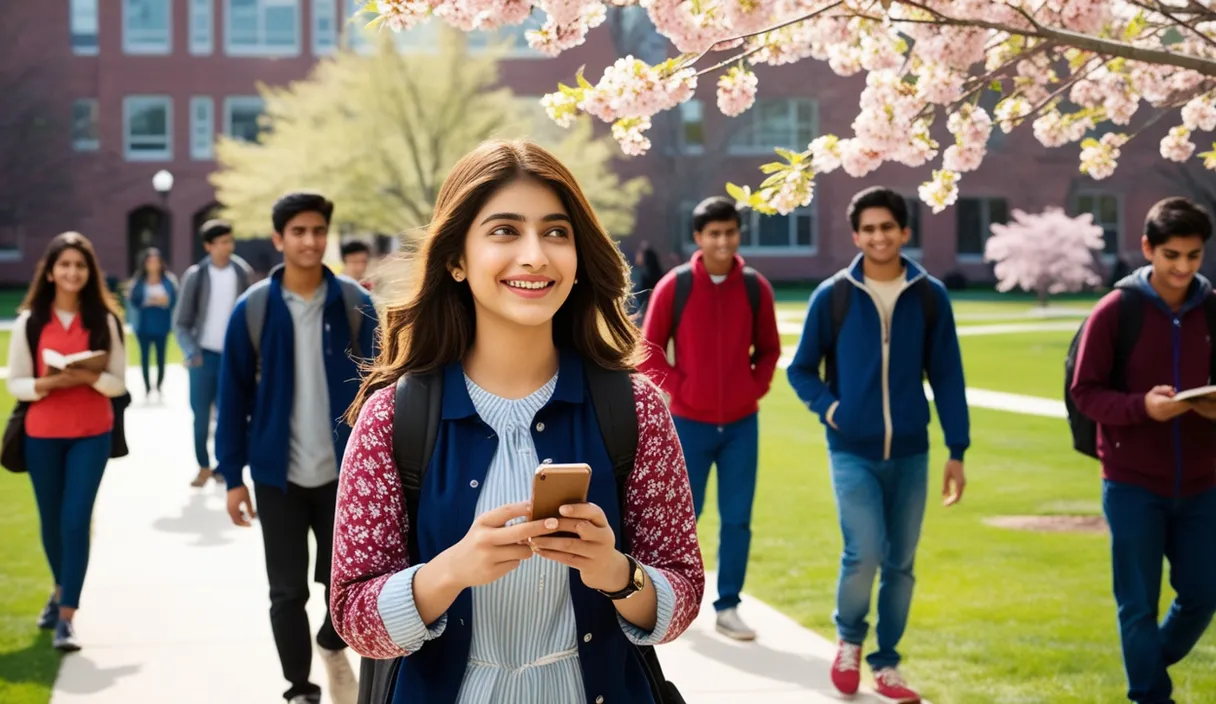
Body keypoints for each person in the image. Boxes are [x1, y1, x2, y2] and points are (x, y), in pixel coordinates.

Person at [330, 140, 704, 704]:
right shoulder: (392, 417)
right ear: (456, 259)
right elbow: (352, 617)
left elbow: (682, 595)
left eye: (556, 232)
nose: (536, 255)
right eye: (505, 231)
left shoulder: (637, 409)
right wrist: (450, 571)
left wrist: (616, 571)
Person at [786, 186, 969, 703]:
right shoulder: (835, 295)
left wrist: (957, 450)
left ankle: (887, 664)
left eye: (888, 227)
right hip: (852, 450)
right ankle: (849, 638)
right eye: (868, 228)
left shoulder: (930, 295)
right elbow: (801, 369)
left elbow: (949, 377)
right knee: (863, 553)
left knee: (902, 563)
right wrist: (833, 409)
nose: (879, 236)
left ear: (905, 232)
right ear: (855, 235)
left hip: (912, 450)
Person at [215, 192, 377, 704]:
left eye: (318, 230)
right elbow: (232, 394)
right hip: (275, 475)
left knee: (344, 586)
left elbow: (382, 390)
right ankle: (300, 690)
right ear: (279, 239)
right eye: (299, 232)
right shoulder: (255, 309)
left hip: (344, 475)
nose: (310, 240)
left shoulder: (356, 305)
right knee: (286, 592)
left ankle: (333, 644)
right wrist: (232, 476)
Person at [1070, 196, 1216, 704]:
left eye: (1193, 256)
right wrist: (1141, 408)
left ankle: (1146, 661)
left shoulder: (1212, 309)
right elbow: (1085, 392)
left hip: (1203, 482)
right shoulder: (1116, 310)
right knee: (1137, 604)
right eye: (1171, 255)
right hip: (1132, 482)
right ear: (1147, 248)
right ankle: (1150, 695)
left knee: (1203, 594)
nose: (1182, 267)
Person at [638, 195, 781, 641]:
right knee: (684, 517)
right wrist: (684, 390)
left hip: (741, 425)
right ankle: (669, 602)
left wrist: (752, 388)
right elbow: (648, 350)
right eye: (713, 233)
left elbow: (770, 349)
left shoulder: (756, 287)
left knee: (738, 518)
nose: (723, 241)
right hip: (689, 426)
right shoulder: (675, 286)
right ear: (699, 237)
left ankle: (729, 606)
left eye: (730, 232)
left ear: (739, 235)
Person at [5, 231, 128, 652]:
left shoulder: (104, 320)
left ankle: (67, 617)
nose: (72, 272)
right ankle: (60, 590)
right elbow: (16, 382)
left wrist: (90, 376)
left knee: (76, 521)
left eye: (80, 265)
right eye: (65, 265)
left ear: (89, 272)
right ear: (52, 271)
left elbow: (118, 383)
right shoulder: (31, 321)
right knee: (52, 523)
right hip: (42, 435)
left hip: (91, 435)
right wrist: (49, 382)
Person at [173, 220, 253, 488]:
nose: (226, 247)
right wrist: (191, 352)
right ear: (208, 246)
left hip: (233, 359)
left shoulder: (242, 273)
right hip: (202, 358)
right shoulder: (196, 276)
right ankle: (203, 466)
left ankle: (223, 466)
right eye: (220, 242)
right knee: (201, 416)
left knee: (230, 415)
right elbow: (181, 321)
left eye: (229, 241)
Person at [127, 247, 178, 400]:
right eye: (150, 261)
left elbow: (174, 299)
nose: (153, 265)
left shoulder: (168, 281)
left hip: (161, 324)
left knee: (161, 357)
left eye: (156, 261)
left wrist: (164, 301)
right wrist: (146, 300)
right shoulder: (139, 281)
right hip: (143, 325)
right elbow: (133, 300)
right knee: (145, 358)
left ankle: (160, 385)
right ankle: (147, 387)